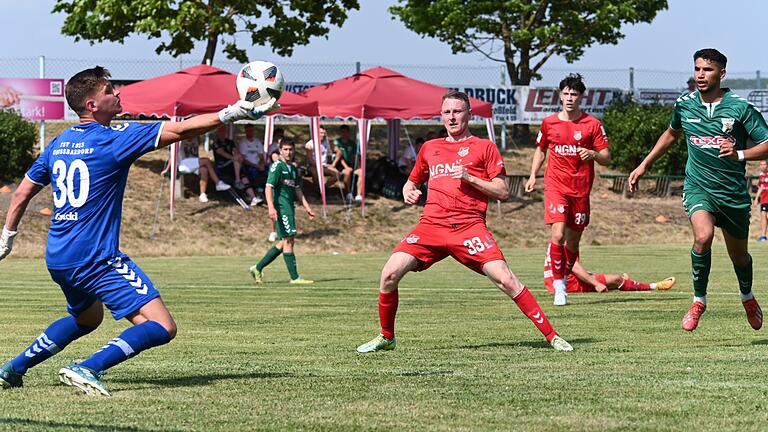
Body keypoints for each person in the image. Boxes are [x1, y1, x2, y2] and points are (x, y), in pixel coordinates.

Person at [0, 66, 275, 395]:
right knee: (162, 325)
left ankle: (13, 368)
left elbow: (20, 194)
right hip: (96, 258)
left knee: (86, 319)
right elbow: (181, 130)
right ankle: (86, 368)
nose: (117, 94)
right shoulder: (115, 140)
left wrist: (7, 238)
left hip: (59, 257)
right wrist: (230, 112)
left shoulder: (59, 143)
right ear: (91, 105)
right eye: (108, 91)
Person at [356, 90, 573, 354]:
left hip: (469, 227)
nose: (452, 117)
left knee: (506, 280)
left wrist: (470, 178)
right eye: (447, 112)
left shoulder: (484, 147)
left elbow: (503, 191)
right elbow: (412, 181)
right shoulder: (430, 148)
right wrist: (408, 190)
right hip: (431, 227)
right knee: (389, 274)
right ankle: (386, 337)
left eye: (457, 111)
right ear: (441, 116)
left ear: (469, 114)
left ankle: (552, 336)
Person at [630, 48, 768, 332]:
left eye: (707, 70)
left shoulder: (740, 107)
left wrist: (740, 154)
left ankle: (747, 297)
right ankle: (698, 301)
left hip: (732, 194)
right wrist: (644, 164)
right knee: (702, 237)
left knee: (739, 257)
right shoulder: (685, 104)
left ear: (722, 73)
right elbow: (671, 133)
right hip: (699, 187)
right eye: (697, 69)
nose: (700, 75)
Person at [524, 73, 611, 307]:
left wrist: (593, 154)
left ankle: (562, 278)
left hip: (581, 190)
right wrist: (533, 175)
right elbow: (541, 150)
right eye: (566, 93)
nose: (570, 97)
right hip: (555, 186)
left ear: (581, 97)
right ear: (560, 95)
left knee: (572, 243)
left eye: (574, 94)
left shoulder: (592, 124)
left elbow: (606, 157)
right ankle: (559, 286)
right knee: (558, 234)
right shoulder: (549, 123)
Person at [249, 137, 316, 285]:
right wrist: (271, 207)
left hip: (289, 207)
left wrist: (307, 207)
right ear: (280, 151)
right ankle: (294, 277)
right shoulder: (277, 166)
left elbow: (297, 189)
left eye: (291, 149)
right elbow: (268, 187)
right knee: (288, 240)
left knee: (285, 241)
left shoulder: (292, 168)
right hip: (281, 207)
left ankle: (257, 268)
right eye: (285, 149)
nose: (288, 152)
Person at [544, 255, 676, 294]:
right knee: (616, 279)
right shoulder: (567, 242)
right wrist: (596, 284)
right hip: (569, 285)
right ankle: (655, 286)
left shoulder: (554, 242)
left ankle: (626, 284)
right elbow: (574, 267)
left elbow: (565, 267)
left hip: (554, 284)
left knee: (613, 281)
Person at [213, 125, 260, 206]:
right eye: (220, 131)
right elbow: (222, 153)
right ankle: (237, 180)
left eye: (224, 131)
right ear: (218, 132)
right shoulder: (216, 143)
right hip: (222, 166)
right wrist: (234, 158)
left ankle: (253, 197)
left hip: (233, 165)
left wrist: (237, 157)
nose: (222, 133)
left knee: (243, 176)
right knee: (238, 161)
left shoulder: (230, 142)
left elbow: (236, 151)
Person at [177, 137, 231, 203]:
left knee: (204, 170)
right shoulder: (180, 141)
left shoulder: (195, 139)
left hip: (193, 163)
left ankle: (202, 194)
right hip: (183, 164)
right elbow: (172, 155)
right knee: (207, 161)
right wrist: (167, 169)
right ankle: (218, 182)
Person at [332, 124, 363, 203]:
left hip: (350, 164)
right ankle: (348, 193)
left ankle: (359, 195)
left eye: (346, 132)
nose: (344, 134)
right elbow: (340, 157)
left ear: (348, 132)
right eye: (343, 132)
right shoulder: (337, 142)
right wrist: (346, 167)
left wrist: (358, 167)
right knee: (347, 172)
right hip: (340, 164)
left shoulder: (352, 143)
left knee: (361, 172)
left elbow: (355, 156)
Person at [237, 124, 266, 205]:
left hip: (258, 165)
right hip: (248, 165)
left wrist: (262, 164)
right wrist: (256, 166)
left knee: (268, 171)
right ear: (245, 131)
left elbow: (261, 156)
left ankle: (264, 191)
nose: (250, 132)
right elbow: (243, 159)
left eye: (252, 130)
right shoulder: (243, 142)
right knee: (253, 172)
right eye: (248, 130)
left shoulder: (257, 142)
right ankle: (256, 191)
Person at [306, 126, 342, 192]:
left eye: (324, 133)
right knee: (315, 172)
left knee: (337, 174)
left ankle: (324, 188)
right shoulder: (310, 144)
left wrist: (333, 164)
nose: (323, 135)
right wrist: (320, 166)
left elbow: (338, 152)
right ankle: (318, 190)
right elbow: (310, 160)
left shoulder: (327, 142)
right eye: (321, 133)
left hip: (325, 166)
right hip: (313, 166)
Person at [754, 160, 768, 242]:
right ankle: (763, 236)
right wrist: (756, 199)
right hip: (764, 200)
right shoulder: (761, 176)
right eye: (761, 165)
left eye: (764, 164)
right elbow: (760, 188)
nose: (762, 166)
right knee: (763, 216)